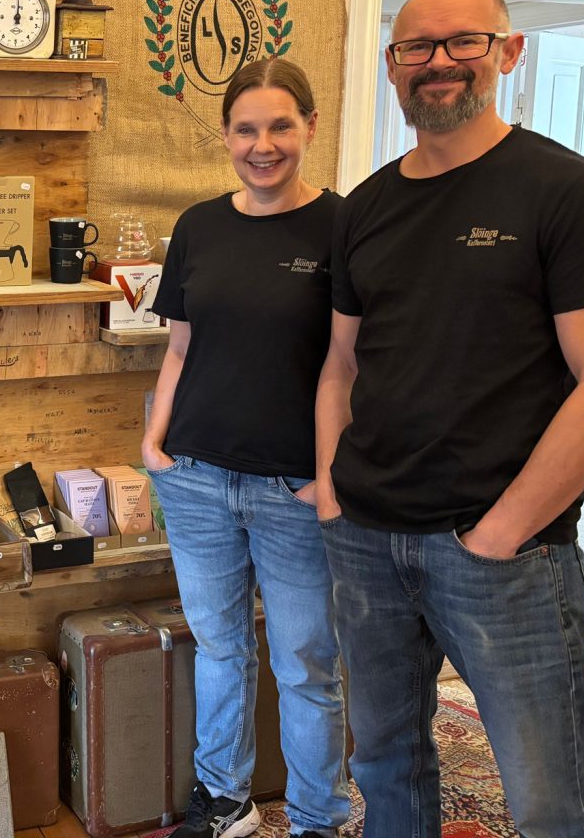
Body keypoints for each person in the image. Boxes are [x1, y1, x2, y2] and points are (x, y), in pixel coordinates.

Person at [316, 0, 584, 838]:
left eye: (463, 42)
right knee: (383, 766)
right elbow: (340, 365)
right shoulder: (366, 206)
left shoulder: (564, 190)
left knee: (550, 800)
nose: (438, 62)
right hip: (366, 540)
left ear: (508, 52)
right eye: (416, 46)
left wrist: (499, 534)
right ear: (392, 64)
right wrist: (332, 493)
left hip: (505, 556)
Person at [141, 58, 349, 838]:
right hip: (194, 478)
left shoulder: (343, 228)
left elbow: (349, 365)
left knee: (305, 665)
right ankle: (226, 803)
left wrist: (326, 479)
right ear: (226, 135)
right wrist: (154, 442)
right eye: (245, 130)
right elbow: (180, 347)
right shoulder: (198, 226)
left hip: (292, 489)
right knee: (219, 650)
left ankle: (317, 820)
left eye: (279, 127)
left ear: (309, 127)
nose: (262, 146)